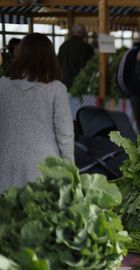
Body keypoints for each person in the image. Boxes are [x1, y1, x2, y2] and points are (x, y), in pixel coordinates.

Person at [0, 33, 74, 192]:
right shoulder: (56, 89)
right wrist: (70, 171)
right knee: (38, 215)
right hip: (43, 166)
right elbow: (65, 135)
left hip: (5, 164)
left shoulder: (2, 85)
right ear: (50, 57)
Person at [57, 24, 94, 89]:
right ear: (83, 33)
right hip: (81, 85)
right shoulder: (86, 47)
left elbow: (58, 65)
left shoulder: (63, 46)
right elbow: (91, 67)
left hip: (64, 83)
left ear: (72, 33)